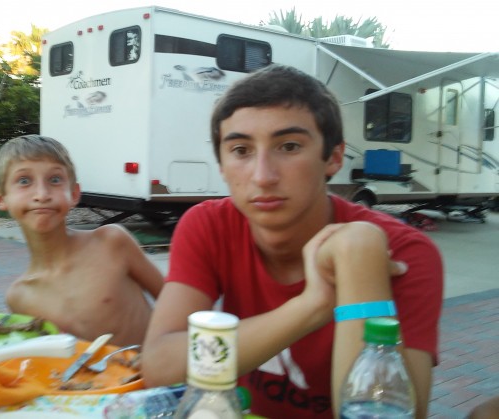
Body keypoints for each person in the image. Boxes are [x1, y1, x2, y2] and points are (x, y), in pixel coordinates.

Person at [141, 64, 443, 418]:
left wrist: (358, 259)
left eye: (288, 146)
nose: (262, 176)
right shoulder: (209, 225)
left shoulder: (404, 252)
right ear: (221, 165)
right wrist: (312, 305)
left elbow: (395, 411)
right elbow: (159, 366)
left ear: (333, 157)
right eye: (241, 150)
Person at [0, 135, 164, 346]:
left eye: (55, 180)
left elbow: (172, 299)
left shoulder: (110, 243)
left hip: (154, 365)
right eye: (24, 181)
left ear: (74, 193)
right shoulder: (19, 297)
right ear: (0, 198)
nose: (42, 194)